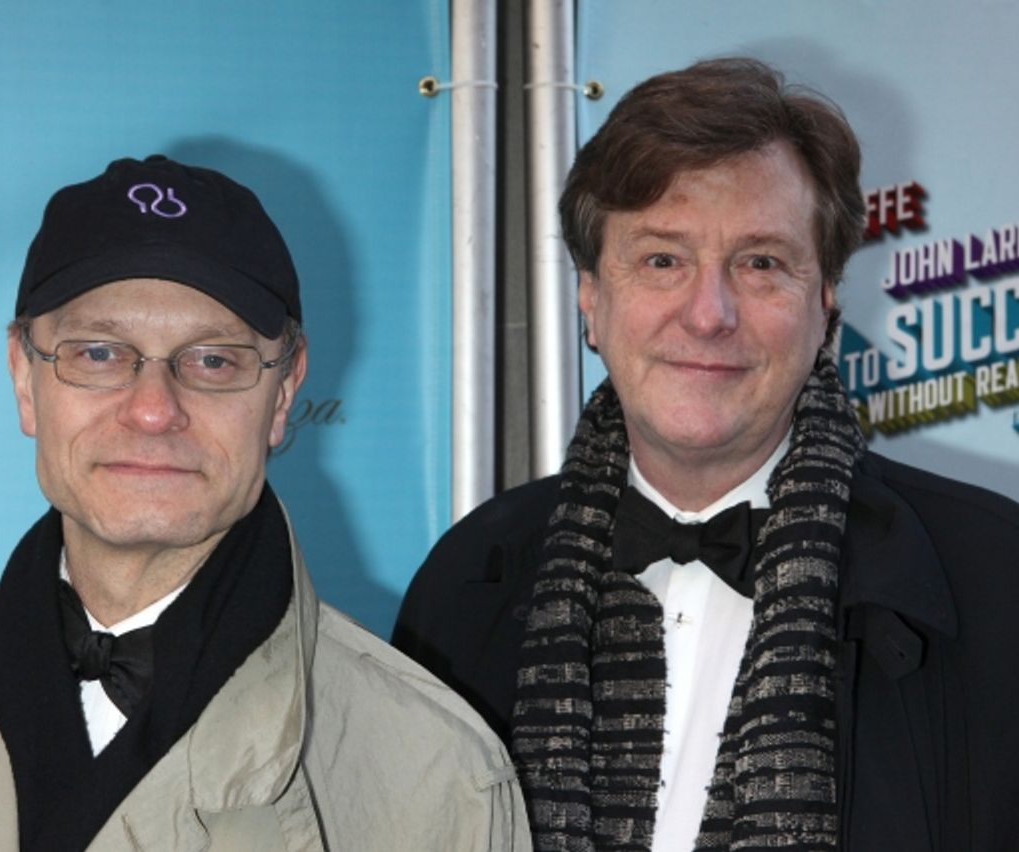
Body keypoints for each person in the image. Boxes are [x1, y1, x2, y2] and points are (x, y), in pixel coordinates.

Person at [393, 58, 1019, 851]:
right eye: (663, 259)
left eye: (761, 263)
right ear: (591, 297)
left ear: (826, 301)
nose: (708, 314)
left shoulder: (996, 583)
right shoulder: (464, 583)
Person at [0, 155, 530, 852]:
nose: (154, 411)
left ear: (283, 394)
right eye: (98, 353)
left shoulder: (437, 769)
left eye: (213, 360)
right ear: (23, 378)